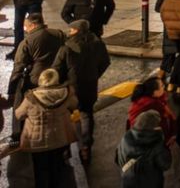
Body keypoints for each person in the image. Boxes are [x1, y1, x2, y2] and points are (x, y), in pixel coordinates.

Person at [52, 19, 110, 164]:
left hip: (71, 88)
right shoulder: (98, 44)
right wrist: (95, 75)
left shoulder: (67, 47)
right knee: (87, 115)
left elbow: (57, 69)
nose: (69, 32)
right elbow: (105, 62)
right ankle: (86, 146)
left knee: (65, 117)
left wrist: (63, 82)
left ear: (77, 30)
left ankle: (65, 149)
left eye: (71, 30)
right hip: (90, 86)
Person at [9, 13, 65, 146]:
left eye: (26, 27)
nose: (26, 29)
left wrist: (11, 89)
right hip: (56, 75)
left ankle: (17, 135)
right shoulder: (58, 34)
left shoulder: (27, 41)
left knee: (20, 102)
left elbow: (19, 66)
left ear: (33, 25)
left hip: (36, 79)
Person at [17, 68, 78, 188]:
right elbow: (75, 105)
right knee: (56, 169)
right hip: (59, 139)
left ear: (41, 81)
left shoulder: (31, 97)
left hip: (37, 143)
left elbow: (19, 115)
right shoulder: (66, 93)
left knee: (40, 172)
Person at [117, 109, 172, 188]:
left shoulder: (125, 138)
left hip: (128, 181)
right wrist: (160, 137)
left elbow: (118, 159)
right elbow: (166, 164)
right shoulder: (156, 144)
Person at [128, 77, 177, 145]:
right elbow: (168, 115)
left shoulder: (144, 95)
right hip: (146, 140)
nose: (164, 87)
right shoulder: (152, 103)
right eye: (162, 86)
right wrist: (172, 135)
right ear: (154, 92)